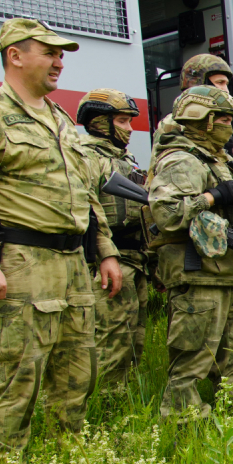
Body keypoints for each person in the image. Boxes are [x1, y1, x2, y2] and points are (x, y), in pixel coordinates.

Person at [0, 18, 123, 458]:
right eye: (50, 52)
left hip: (72, 268)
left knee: (77, 375)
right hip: (21, 264)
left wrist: (105, 252)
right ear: (15, 55)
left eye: (62, 55)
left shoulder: (61, 119)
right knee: (17, 379)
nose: (59, 62)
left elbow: (84, 193)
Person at [148, 86, 233, 421]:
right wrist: (213, 196)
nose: (229, 125)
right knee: (192, 364)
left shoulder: (217, 161)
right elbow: (168, 215)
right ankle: (183, 435)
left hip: (225, 275)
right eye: (222, 118)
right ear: (203, 120)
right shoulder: (181, 160)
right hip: (198, 277)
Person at [76, 88, 149, 385]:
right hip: (107, 261)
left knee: (134, 339)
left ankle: (123, 402)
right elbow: (86, 210)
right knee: (112, 340)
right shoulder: (87, 157)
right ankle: (105, 407)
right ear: (99, 121)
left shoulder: (125, 159)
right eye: (121, 121)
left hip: (135, 259)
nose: (129, 129)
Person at [153, 54, 233, 194]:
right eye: (220, 83)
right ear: (199, 84)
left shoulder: (217, 121)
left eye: (226, 84)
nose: (226, 90)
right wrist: (215, 195)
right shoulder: (174, 123)